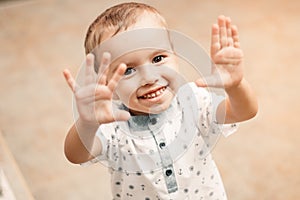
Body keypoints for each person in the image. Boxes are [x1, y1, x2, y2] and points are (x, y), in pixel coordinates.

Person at [63, 2, 258, 199]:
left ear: (175, 55)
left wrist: (235, 86)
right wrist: (87, 124)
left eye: (158, 59)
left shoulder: (193, 100)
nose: (149, 78)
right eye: (128, 70)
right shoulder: (111, 125)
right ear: (108, 86)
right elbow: (76, 155)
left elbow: (244, 111)